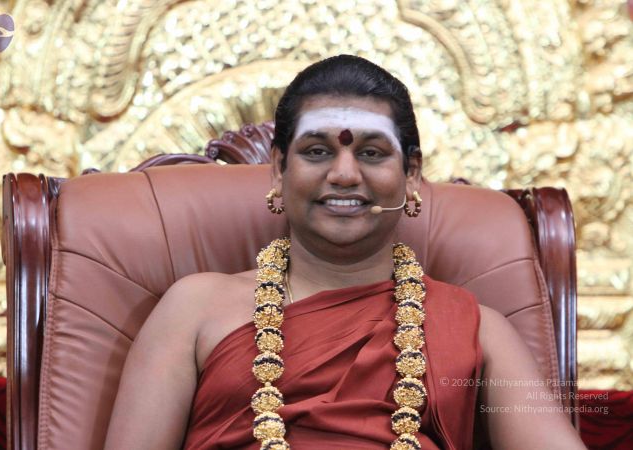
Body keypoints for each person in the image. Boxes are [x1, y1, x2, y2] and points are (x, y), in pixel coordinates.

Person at [104, 55, 586, 449]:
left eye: (372, 153)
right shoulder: (193, 309)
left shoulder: (477, 330)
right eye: (317, 151)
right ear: (279, 170)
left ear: (411, 175)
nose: (344, 175)